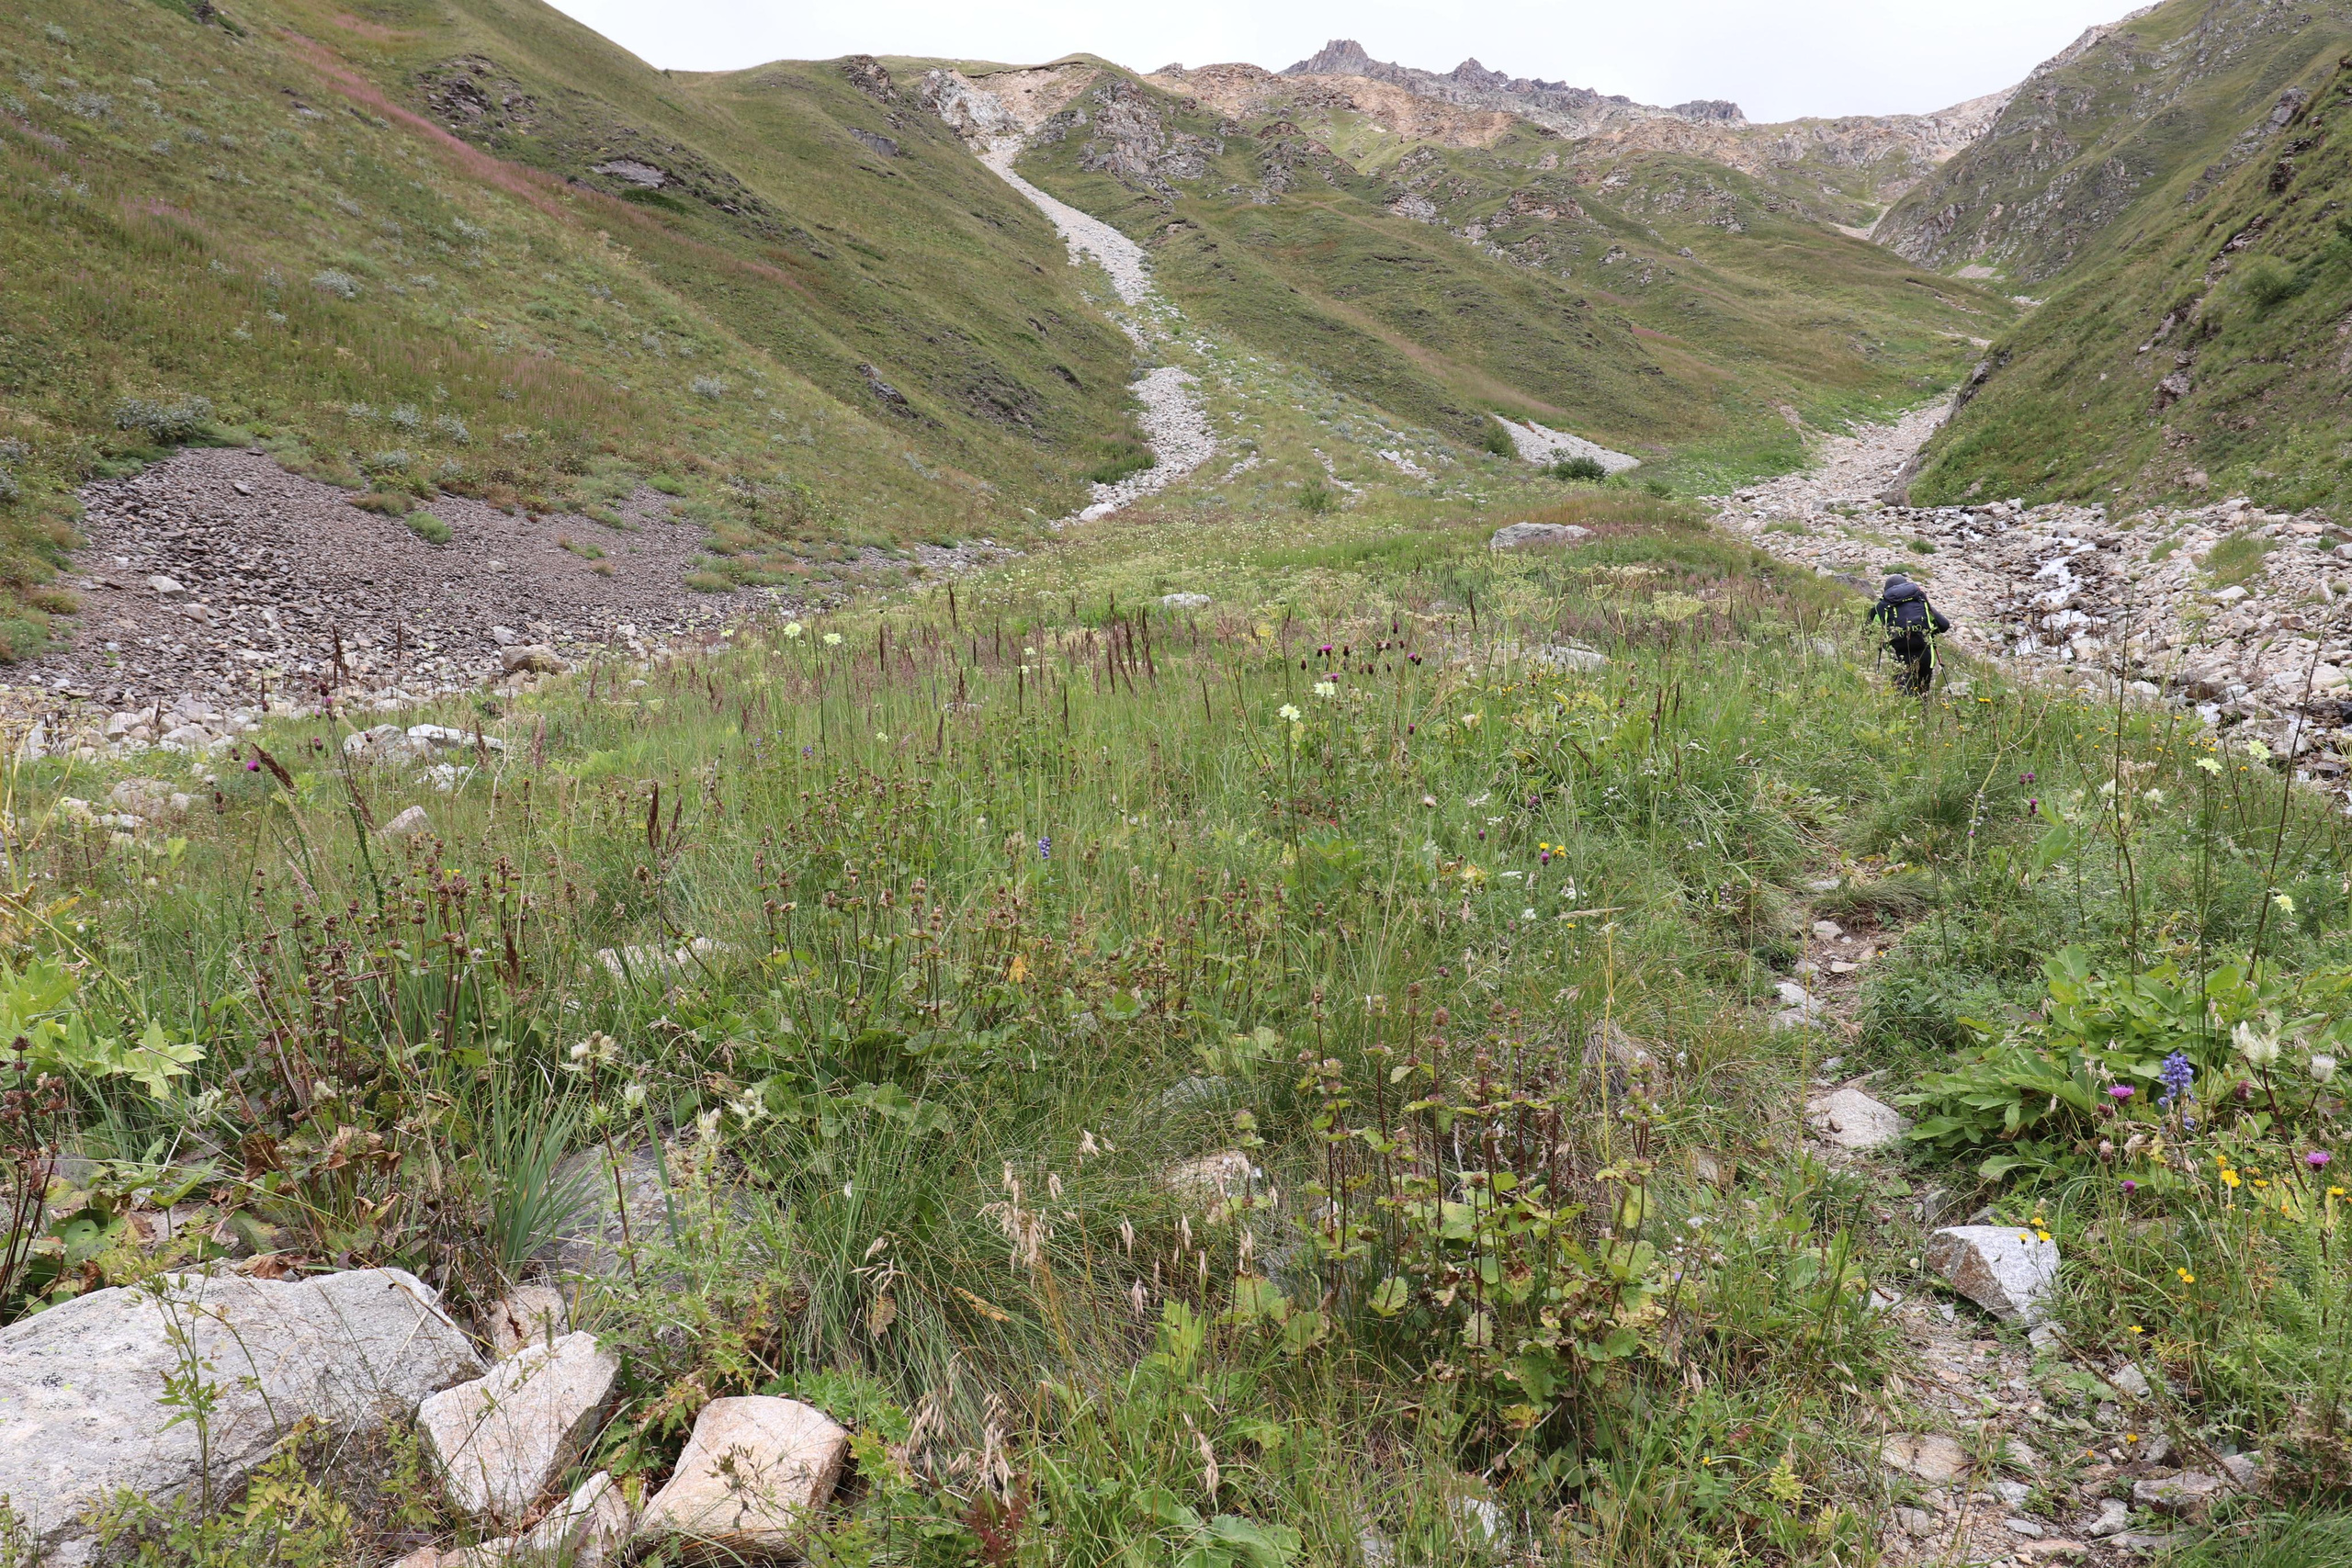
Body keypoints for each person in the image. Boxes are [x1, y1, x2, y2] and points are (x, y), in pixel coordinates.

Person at [1867, 573, 1951, 694]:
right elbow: (1944, 625)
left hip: (1898, 656)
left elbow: (1867, 634)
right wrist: (1929, 632)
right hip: (1924, 652)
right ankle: (1923, 711)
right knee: (1922, 693)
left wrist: (1885, 643)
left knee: (1901, 696)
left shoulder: (1881, 606)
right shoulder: (1920, 600)